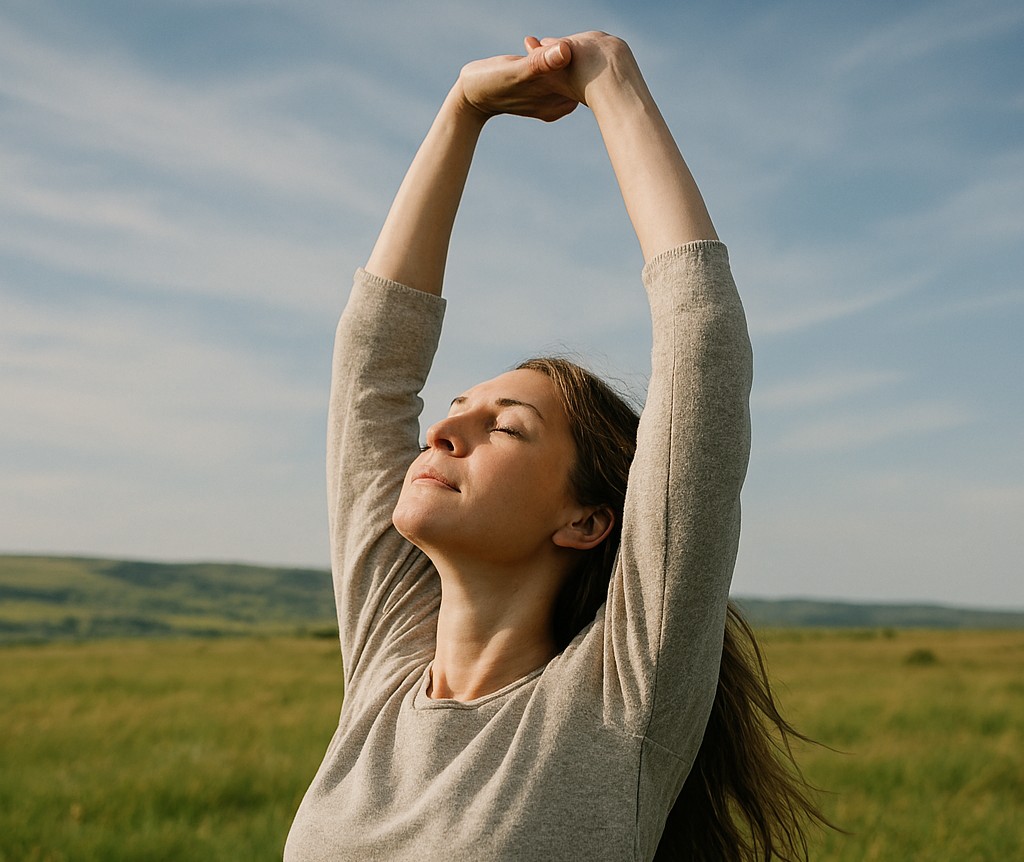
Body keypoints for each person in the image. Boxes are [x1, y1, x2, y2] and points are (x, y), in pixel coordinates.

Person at [285, 31, 829, 862]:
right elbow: (372, 366)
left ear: (586, 521)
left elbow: (703, 345)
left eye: (504, 426)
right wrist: (461, 112)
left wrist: (611, 82)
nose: (442, 428)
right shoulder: (388, 664)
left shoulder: (619, 699)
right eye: (460, 405)